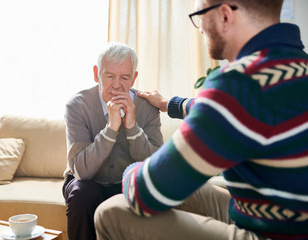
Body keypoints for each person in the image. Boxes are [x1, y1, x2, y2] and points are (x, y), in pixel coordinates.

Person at [94, 0, 308, 239]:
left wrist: (132, 170)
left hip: (272, 233)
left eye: (199, 15)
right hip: (280, 217)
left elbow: (145, 194)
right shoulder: (293, 69)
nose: (200, 28)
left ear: (225, 16)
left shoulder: (240, 83)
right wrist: (168, 104)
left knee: (111, 211)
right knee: (196, 191)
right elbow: (235, 109)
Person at [62, 42, 164, 240]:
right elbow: (81, 171)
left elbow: (155, 166)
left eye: (124, 77)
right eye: (109, 76)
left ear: (134, 78)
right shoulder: (77, 106)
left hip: (126, 183)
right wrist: (111, 129)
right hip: (86, 182)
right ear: (96, 73)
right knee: (83, 193)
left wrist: (132, 127)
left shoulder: (148, 107)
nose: (117, 85)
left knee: (146, 194)